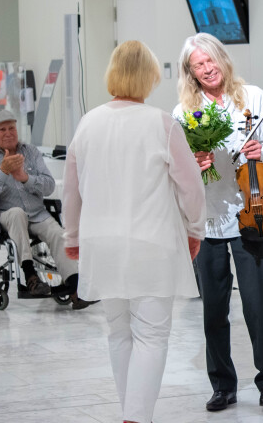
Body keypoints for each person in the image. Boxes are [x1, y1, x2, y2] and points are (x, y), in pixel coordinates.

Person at [62, 40, 206, 423]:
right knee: (152, 336)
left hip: (101, 244)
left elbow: (71, 187)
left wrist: (72, 237)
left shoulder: (87, 122)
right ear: (149, 77)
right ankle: (136, 418)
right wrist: (195, 229)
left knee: (119, 333)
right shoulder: (161, 123)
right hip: (151, 244)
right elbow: (191, 186)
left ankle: (132, 413)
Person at [174, 33, 263, 411]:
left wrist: (259, 150)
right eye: (198, 65)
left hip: (250, 212)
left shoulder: (253, 96)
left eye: (210, 61)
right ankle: (223, 385)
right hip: (207, 219)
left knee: (258, 304)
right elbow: (177, 169)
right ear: (190, 72)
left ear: (221, 58)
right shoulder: (183, 112)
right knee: (214, 309)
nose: (207, 69)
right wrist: (195, 163)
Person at [0, 109, 92, 309]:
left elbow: (48, 186)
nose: (8, 132)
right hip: (6, 216)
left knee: (57, 233)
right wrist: (2, 171)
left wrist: (25, 178)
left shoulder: (31, 152)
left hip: (38, 214)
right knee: (17, 214)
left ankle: (74, 285)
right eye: (2, 129)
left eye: (11, 127)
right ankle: (30, 275)